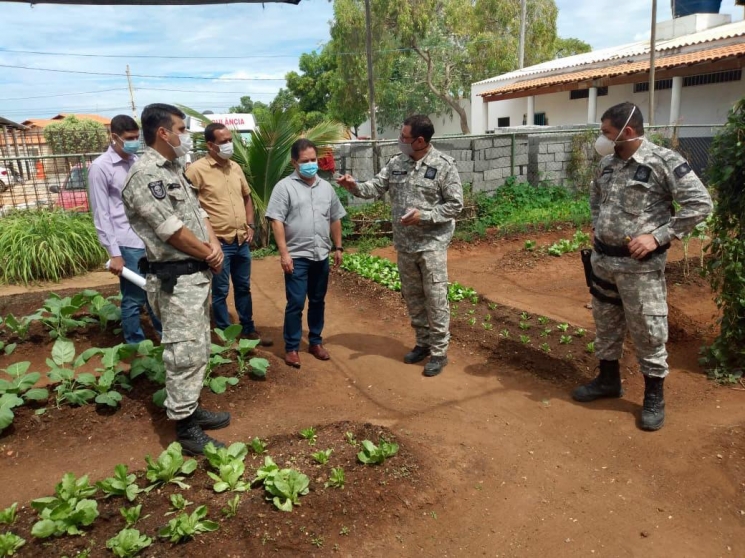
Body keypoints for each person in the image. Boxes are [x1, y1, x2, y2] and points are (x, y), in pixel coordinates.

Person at [574, 101, 712, 431]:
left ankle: (653, 396)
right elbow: (596, 197)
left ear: (628, 132)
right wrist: (597, 224)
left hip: (640, 270)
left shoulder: (664, 162)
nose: (601, 138)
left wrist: (658, 237)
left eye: (606, 132)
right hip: (603, 262)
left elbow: (700, 204)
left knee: (648, 332)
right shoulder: (606, 164)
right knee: (605, 325)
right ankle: (608, 380)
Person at [122, 103, 229, 455]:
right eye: (182, 129)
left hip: (194, 276)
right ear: (163, 133)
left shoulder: (175, 170)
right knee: (183, 353)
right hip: (175, 280)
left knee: (198, 347)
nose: (186, 136)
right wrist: (207, 252)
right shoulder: (145, 175)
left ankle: (192, 408)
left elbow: (197, 214)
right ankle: (184, 427)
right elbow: (170, 230)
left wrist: (212, 246)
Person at [337, 114, 463, 377]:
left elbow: (455, 205)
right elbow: (375, 187)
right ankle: (423, 343)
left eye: (404, 137)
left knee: (436, 298)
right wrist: (353, 186)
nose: (400, 140)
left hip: (432, 244)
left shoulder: (444, 165)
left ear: (419, 140)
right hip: (405, 245)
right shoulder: (397, 162)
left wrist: (424, 216)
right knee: (414, 298)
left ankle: (439, 353)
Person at [185, 122, 272, 346]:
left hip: (241, 240)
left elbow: (246, 197)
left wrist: (251, 225)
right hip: (218, 243)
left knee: (243, 287)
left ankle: (248, 328)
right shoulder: (196, 170)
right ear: (210, 145)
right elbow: (189, 206)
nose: (229, 144)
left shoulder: (235, 167)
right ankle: (225, 335)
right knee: (220, 290)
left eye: (229, 140)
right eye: (223, 141)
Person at [265, 138, 346, 369]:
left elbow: (335, 217)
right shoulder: (284, 187)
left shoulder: (326, 187)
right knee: (296, 302)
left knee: (318, 300)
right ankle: (291, 347)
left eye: (313, 160)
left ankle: (315, 342)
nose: (311, 164)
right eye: (305, 161)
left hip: (321, 254)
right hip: (297, 256)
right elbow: (276, 221)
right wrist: (284, 254)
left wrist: (338, 246)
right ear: (294, 162)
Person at [89, 114, 162, 345]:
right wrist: (114, 253)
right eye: (129, 138)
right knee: (133, 298)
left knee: (154, 293)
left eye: (136, 138)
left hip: (147, 240)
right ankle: (135, 346)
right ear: (114, 137)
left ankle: (163, 340)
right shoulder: (100, 168)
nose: (134, 142)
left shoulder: (135, 161)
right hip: (126, 242)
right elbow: (101, 213)